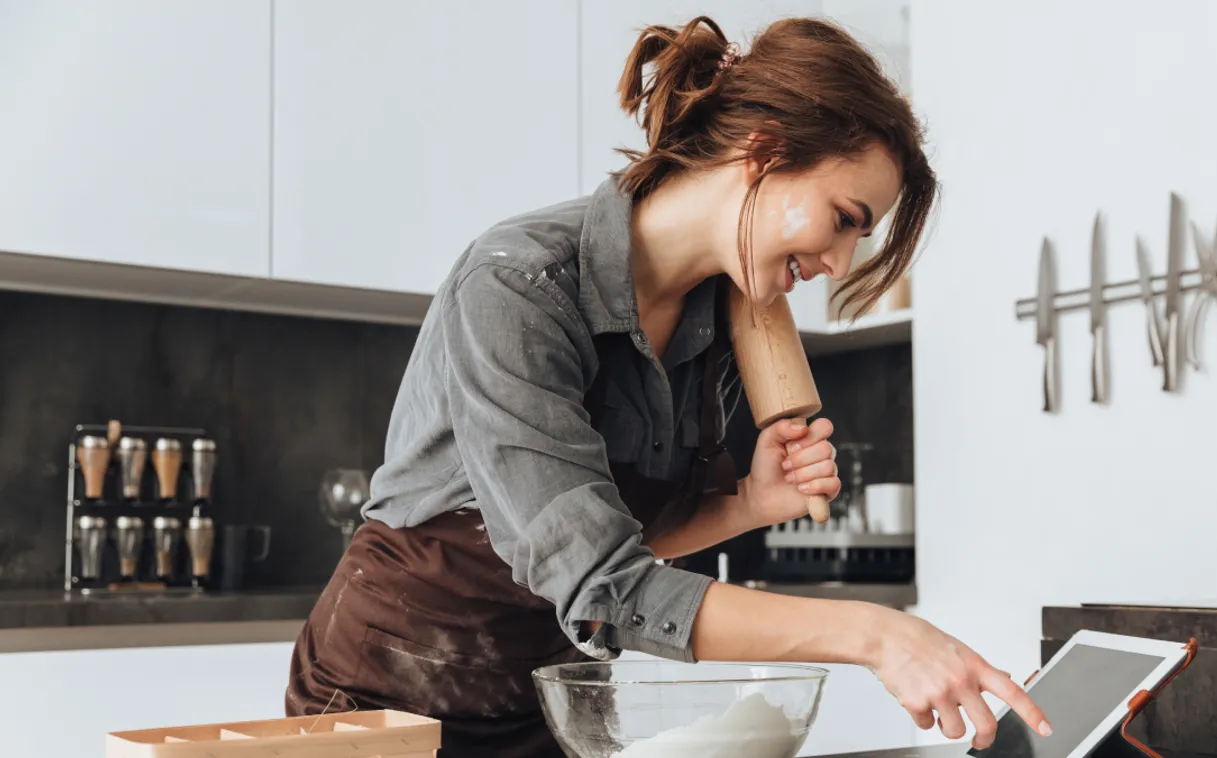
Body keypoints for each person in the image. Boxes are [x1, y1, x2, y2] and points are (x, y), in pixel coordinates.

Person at [285, 15, 1050, 757]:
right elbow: (602, 587)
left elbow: (618, 542)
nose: (838, 265)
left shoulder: (717, 318)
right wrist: (877, 634)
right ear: (764, 152)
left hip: (543, 698)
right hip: (383, 698)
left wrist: (747, 506)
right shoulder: (518, 286)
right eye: (843, 219)